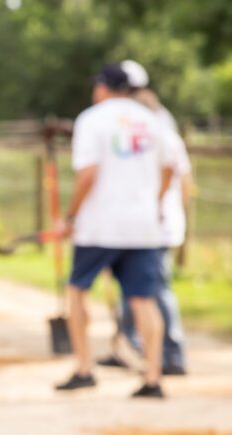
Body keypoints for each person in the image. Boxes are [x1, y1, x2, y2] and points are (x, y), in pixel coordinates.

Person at [54, 63, 175, 399]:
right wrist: (154, 201)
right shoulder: (152, 119)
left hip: (99, 225)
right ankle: (153, 377)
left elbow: (88, 175)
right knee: (144, 300)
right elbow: (170, 167)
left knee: (77, 292)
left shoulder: (92, 119)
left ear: (103, 88)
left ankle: (84, 368)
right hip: (143, 225)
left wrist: (70, 216)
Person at [105, 66, 191, 376]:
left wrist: (155, 207)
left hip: (156, 227)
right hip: (141, 225)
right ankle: (137, 347)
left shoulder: (160, 135)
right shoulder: (143, 135)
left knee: (155, 290)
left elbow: (176, 176)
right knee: (136, 291)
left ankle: (172, 353)